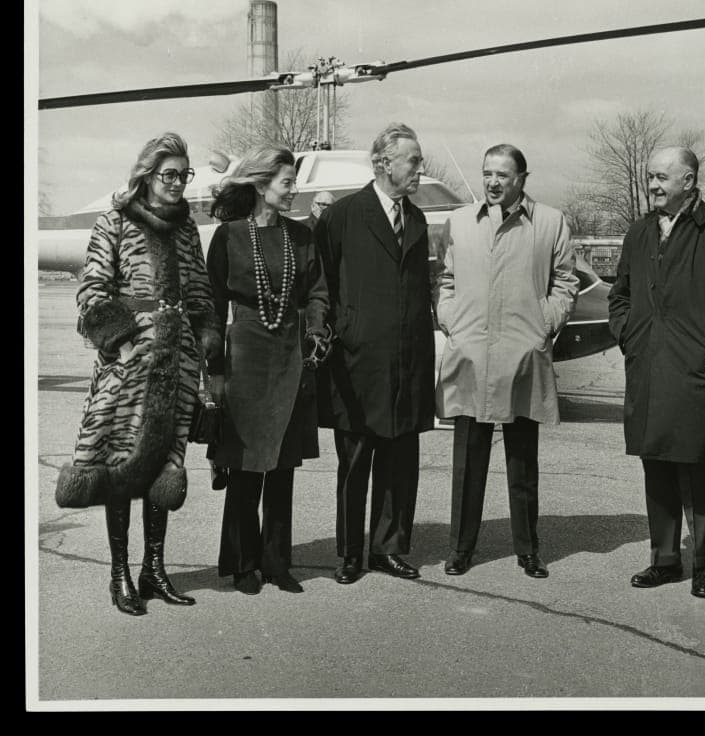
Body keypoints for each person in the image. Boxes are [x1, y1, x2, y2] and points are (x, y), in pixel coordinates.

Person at [55, 132, 222, 616]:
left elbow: (200, 295)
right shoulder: (114, 221)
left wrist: (204, 342)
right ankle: (120, 574)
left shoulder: (187, 230)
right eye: (169, 174)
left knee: (163, 467)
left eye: (184, 175)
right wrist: (122, 344)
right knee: (120, 465)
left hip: (177, 364)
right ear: (146, 175)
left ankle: (154, 570)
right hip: (128, 367)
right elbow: (92, 291)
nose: (178, 183)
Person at [608, 146, 705, 598]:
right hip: (648, 368)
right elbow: (620, 295)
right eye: (650, 177)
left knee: (695, 466)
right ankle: (665, 560)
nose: (653, 185)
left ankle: (702, 566)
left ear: (688, 181)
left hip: (697, 372)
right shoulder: (640, 232)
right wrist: (630, 335)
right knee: (655, 463)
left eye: (661, 177)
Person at [435, 144, 579, 578]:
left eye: (502, 175)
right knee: (467, 461)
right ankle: (461, 548)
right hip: (472, 355)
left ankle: (528, 549)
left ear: (521, 179)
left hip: (522, 355)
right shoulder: (461, 221)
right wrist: (451, 320)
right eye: (487, 174)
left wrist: (544, 325)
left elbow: (565, 282)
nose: (493, 182)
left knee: (522, 461)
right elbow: (446, 279)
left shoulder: (550, 222)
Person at [206, 146, 331, 595]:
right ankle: (243, 563)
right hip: (245, 358)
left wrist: (315, 329)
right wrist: (214, 370)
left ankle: (277, 563)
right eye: (287, 182)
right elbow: (213, 304)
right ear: (261, 185)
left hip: (289, 358)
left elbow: (317, 291)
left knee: (282, 463)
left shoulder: (302, 236)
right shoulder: (229, 236)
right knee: (244, 464)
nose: (294, 189)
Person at [315, 123, 436, 585]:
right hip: (357, 362)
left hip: (407, 361)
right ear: (384, 163)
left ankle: (388, 549)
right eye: (413, 160)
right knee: (355, 462)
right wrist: (340, 333)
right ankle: (349, 553)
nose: (419, 169)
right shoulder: (343, 215)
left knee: (400, 461)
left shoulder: (417, 220)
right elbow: (322, 285)